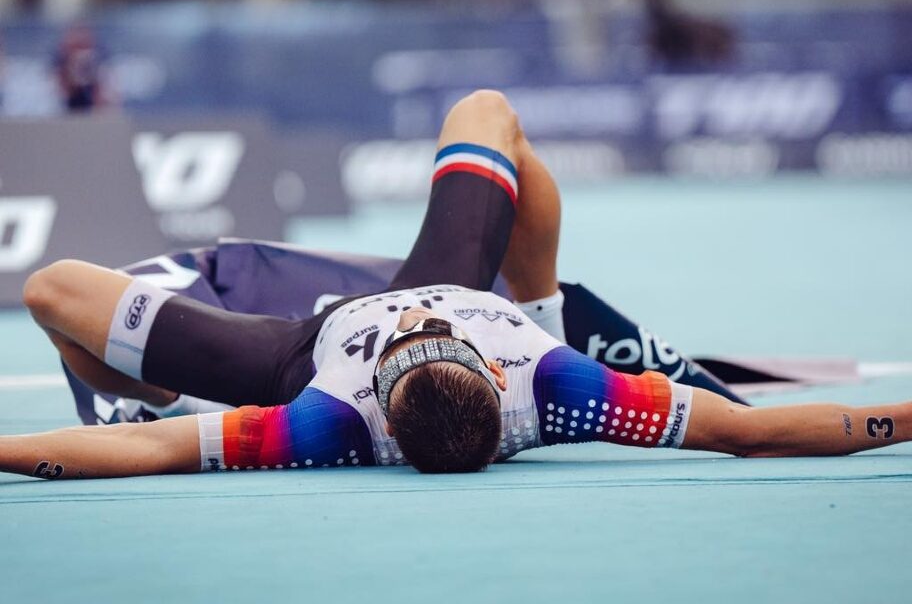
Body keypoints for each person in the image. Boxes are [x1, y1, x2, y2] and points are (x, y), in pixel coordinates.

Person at [7, 90, 910, 479]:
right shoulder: (559, 386)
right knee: (485, 114)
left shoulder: (324, 422)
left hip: (293, 358)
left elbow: (155, 457)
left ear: (383, 404)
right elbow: (750, 433)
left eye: (411, 340)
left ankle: (153, 388)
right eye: (434, 335)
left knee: (54, 294)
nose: (418, 323)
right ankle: (546, 300)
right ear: (490, 369)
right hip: (466, 280)